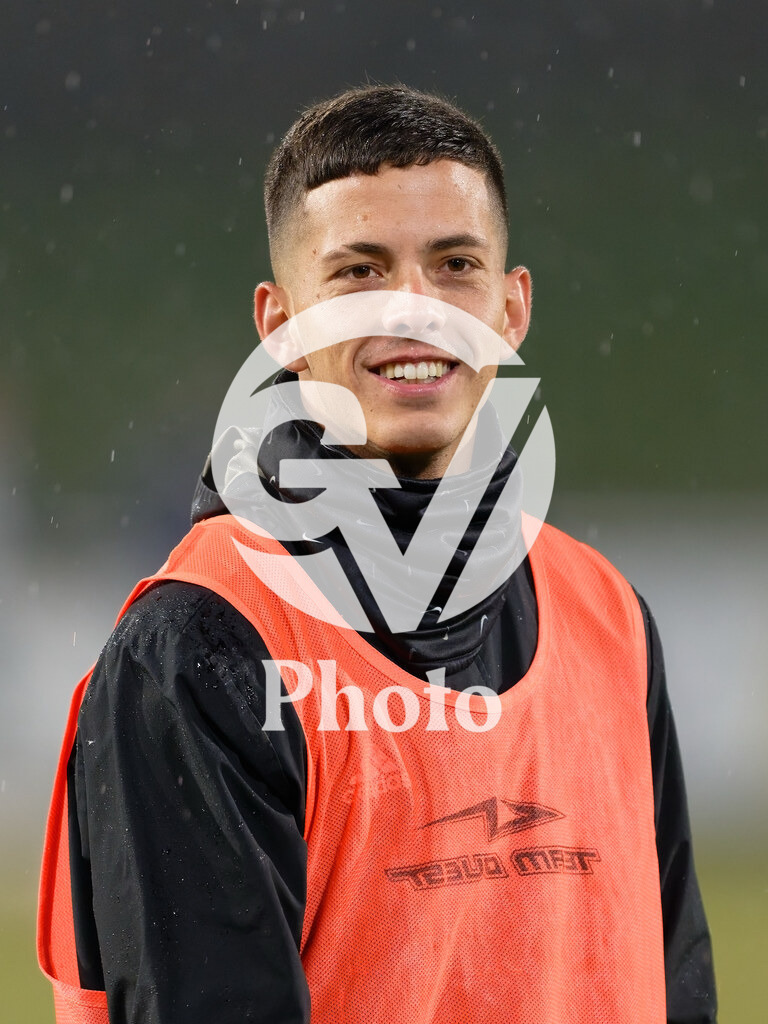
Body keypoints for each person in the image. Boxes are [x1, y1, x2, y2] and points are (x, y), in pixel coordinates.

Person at [38, 85, 717, 1024]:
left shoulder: (608, 614)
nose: (417, 310)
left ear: (512, 308)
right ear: (279, 326)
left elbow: (675, 989)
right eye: (360, 272)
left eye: (455, 264)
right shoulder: (200, 648)